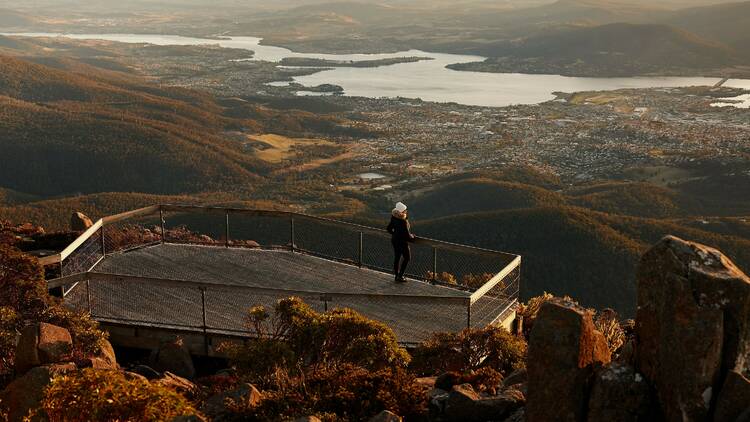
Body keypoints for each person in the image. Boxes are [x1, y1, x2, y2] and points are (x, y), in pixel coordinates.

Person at [387, 202, 415, 282]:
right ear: (402, 211)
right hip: (402, 242)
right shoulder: (403, 221)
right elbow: (407, 235)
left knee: (397, 257)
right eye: (405, 210)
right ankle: (400, 276)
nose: (406, 211)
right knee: (407, 258)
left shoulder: (393, 217)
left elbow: (388, 229)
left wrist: (395, 234)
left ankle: (396, 276)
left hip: (395, 240)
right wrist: (412, 236)